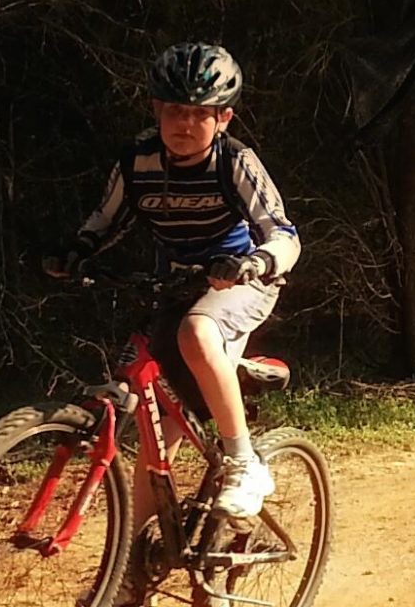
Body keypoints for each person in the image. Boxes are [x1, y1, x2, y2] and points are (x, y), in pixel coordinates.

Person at [48, 42, 300, 523]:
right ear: (156, 110)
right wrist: (76, 251)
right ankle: (134, 575)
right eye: (175, 111)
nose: (185, 124)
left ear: (223, 118)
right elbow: (106, 220)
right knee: (155, 435)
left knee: (197, 332)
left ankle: (244, 463)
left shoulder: (235, 162)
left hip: (239, 282)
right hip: (176, 285)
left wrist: (257, 263)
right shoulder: (137, 162)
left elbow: (284, 234)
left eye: (199, 113)